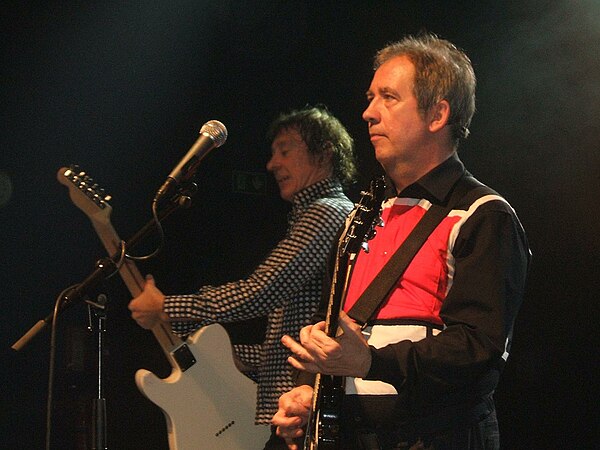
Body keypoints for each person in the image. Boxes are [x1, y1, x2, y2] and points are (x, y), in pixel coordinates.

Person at [271, 34, 531, 450]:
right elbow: (337, 332)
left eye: (388, 97)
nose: (368, 113)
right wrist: (310, 390)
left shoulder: (483, 214)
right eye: (371, 97)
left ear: (437, 114)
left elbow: (479, 349)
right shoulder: (361, 216)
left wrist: (372, 362)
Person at [128, 106, 357, 447]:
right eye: (272, 153)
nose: (272, 163)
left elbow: (260, 291)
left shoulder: (326, 213)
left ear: (324, 152)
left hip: (303, 410)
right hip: (295, 407)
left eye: (285, 150)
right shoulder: (314, 214)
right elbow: (295, 333)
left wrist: (168, 306)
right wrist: (240, 357)